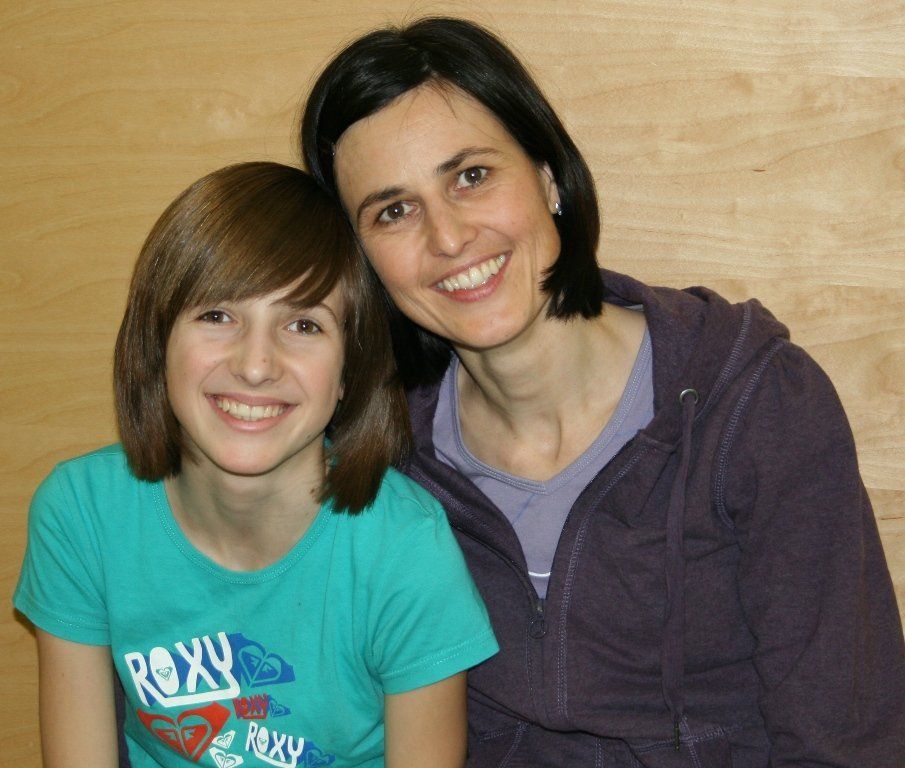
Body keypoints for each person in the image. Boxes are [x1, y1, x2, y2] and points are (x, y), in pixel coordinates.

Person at [300, 17, 905, 768]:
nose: (447, 238)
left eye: (471, 176)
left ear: (548, 176)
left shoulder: (755, 404)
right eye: (393, 211)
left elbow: (847, 740)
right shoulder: (381, 456)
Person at [14, 161, 498, 768]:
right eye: (218, 316)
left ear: (348, 373)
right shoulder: (82, 513)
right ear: (158, 339)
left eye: (303, 324)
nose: (255, 365)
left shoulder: (404, 549)